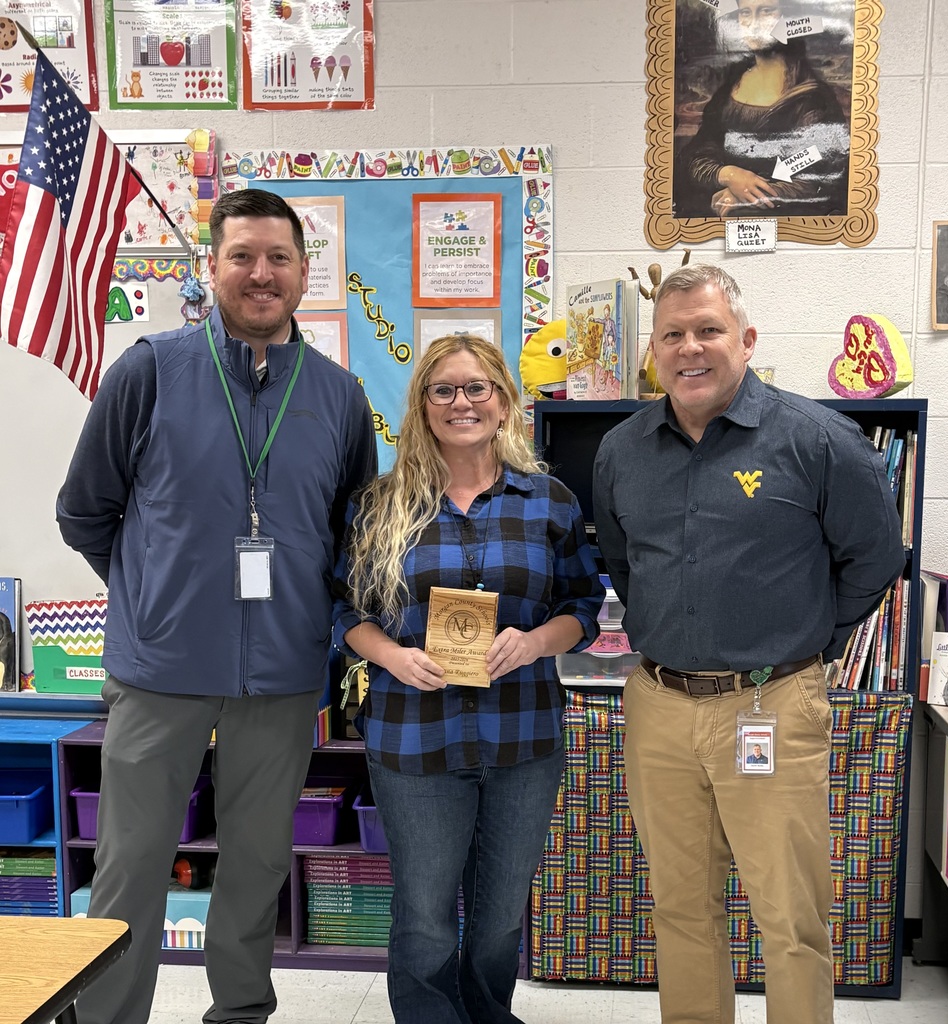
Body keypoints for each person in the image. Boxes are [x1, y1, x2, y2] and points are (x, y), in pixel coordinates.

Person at [56, 188, 378, 1024]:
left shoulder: (340, 396)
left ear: (306, 271)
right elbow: (84, 511)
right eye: (242, 257)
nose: (260, 274)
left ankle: (239, 1013)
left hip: (280, 671)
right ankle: (107, 1018)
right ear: (213, 268)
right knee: (130, 864)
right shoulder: (150, 370)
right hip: (159, 669)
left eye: (278, 257)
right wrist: (153, 598)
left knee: (259, 859)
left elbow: (350, 534)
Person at [592, 264, 905, 1024]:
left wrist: (804, 641)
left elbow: (874, 558)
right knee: (680, 908)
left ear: (746, 339)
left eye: (707, 330)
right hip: (660, 707)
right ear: (654, 352)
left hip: (773, 703)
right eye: (672, 335)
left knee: (789, 919)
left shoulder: (818, 440)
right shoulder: (620, 451)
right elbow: (622, 565)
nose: (689, 349)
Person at [332, 334, 604, 1023]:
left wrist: (537, 640)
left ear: (505, 401)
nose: (462, 402)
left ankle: (487, 1014)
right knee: (424, 915)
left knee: (499, 917)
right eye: (443, 389)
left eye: (477, 387)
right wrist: (390, 655)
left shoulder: (549, 501)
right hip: (413, 743)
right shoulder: (379, 504)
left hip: (522, 741)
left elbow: (582, 607)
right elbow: (343, 612)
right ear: (422, 405)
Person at [673, 0, 849, 219]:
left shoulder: (812, 99)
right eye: (746, 13)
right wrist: (728, 174)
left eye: (766, 11)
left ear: (787, 18)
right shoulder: (731, 86)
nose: (754, 23)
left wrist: (746, 196)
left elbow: (817, 181)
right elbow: (696, 155)